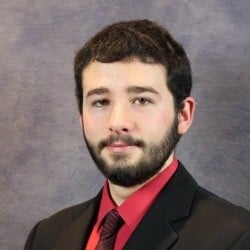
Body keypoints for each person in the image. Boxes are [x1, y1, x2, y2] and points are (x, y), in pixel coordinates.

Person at [25, 19, 250, 250]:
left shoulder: (238, 238)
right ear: (81, 116)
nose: (118, 123)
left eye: (142, 100)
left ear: (183, 115)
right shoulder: (46, 236)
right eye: (101, 102)